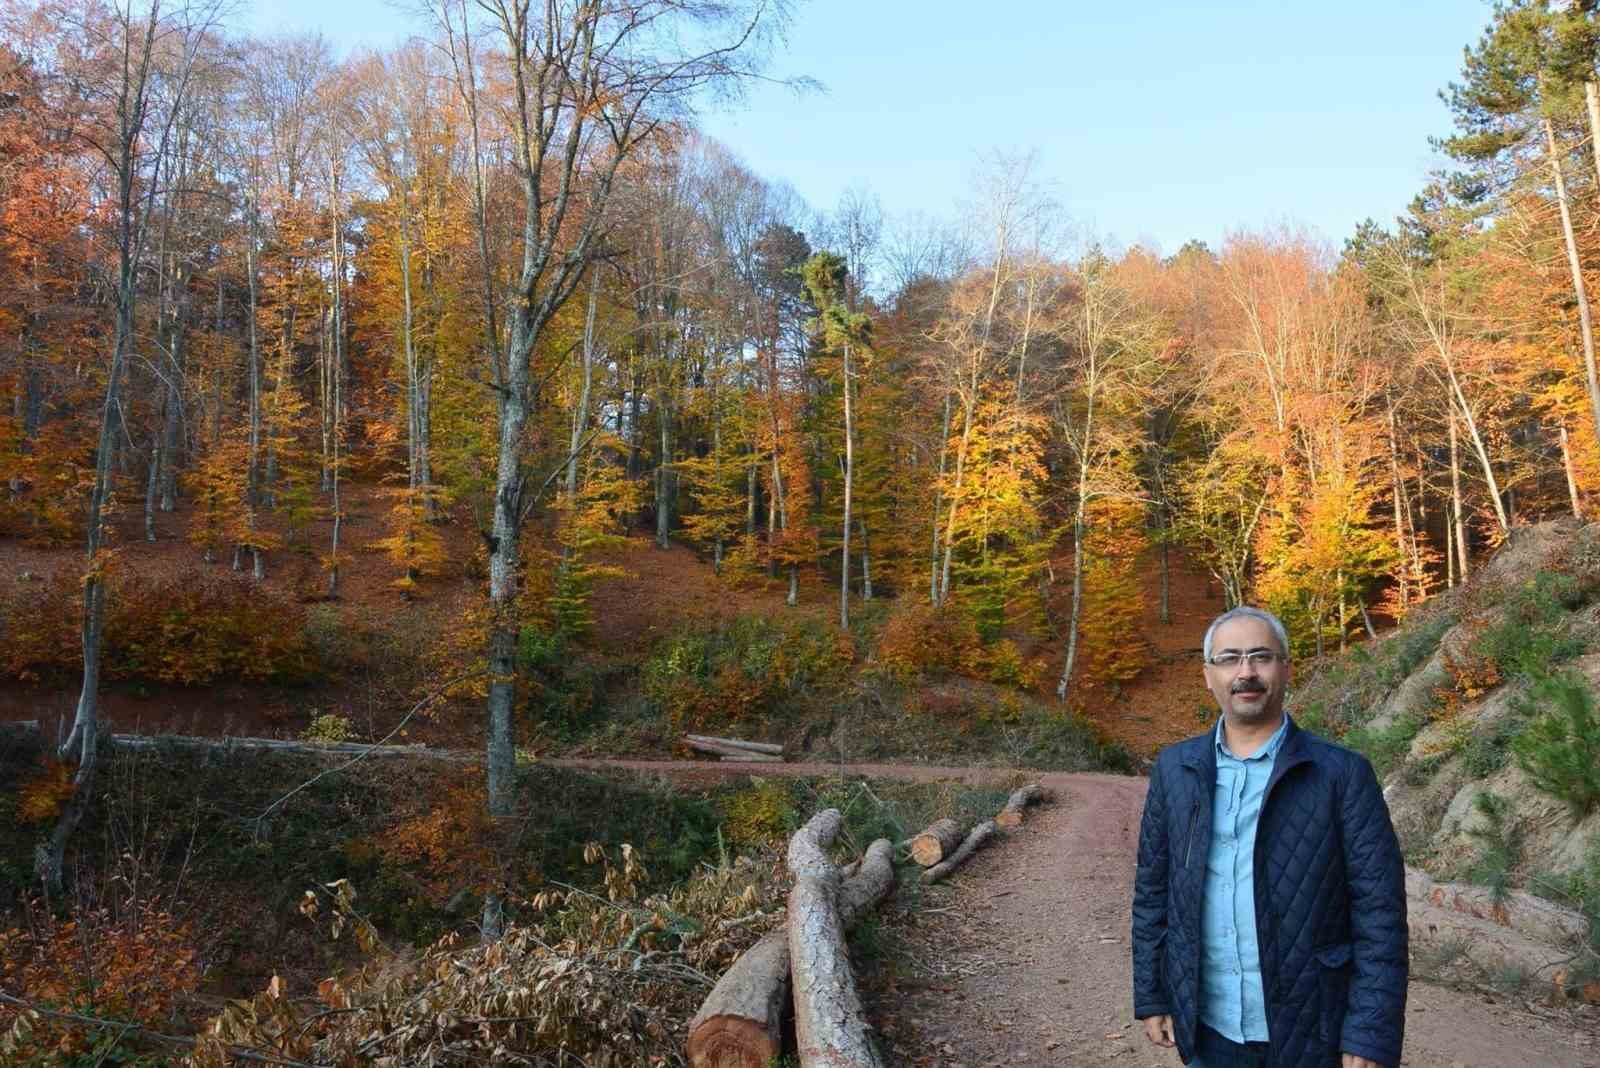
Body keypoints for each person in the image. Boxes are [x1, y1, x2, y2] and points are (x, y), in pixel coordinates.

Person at [1132, 606, 1407, 1068]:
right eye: (1229, 659)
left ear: (1286, 668)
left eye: (1261, 657)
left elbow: (1379, 912)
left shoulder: (1342, 774)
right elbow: (1152, 892)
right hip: (1207, 1030)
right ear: (1208, 675)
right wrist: (1153, 993)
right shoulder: (1174, 770)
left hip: (1311, 1033)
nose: (1246, 672)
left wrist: (1369, 1031)